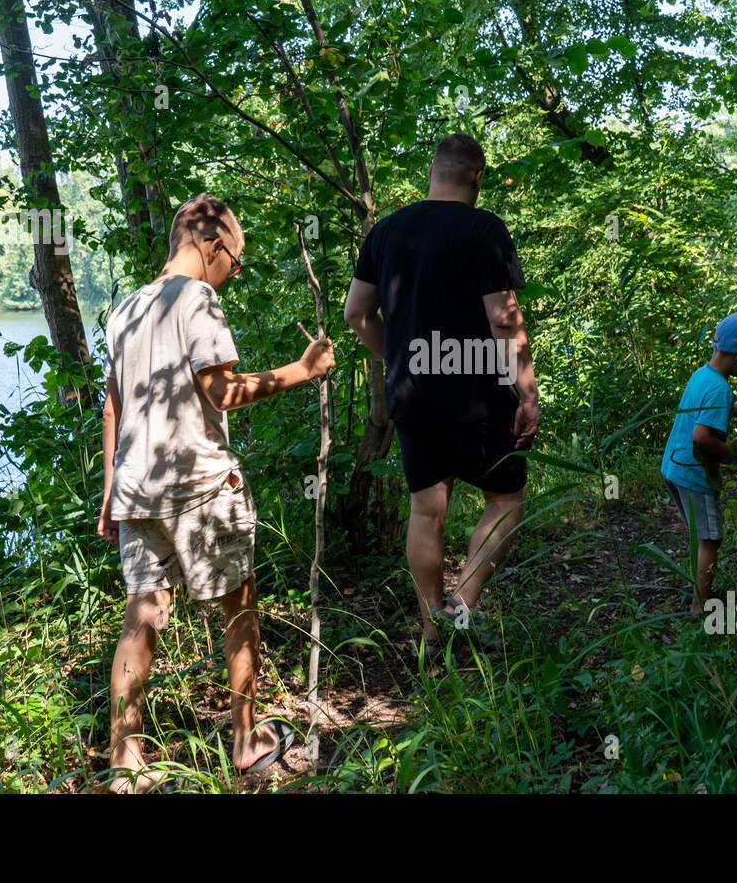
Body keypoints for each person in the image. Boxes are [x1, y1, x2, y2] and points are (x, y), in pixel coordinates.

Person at [96, 193, 335, 791]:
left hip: (136, 489)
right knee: (240, 606)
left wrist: (109, 490)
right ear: (212, 244)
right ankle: (247, 739)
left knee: (142, 614)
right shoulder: (197, 298)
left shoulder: (125, 308)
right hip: (202, 484)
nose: (233, 272)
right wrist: (303, 370)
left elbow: (114, 405)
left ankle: (124, 761)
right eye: (237, 259)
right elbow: (222, 392)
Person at [343, 133, 539, 660]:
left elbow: (356, 314)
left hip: (412, 389)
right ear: (478, 178)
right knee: (506, 497)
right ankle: (464, 605)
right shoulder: (484, 229)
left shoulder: (385, 232)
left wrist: (398, 357)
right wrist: (527, 392)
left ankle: (433, 631)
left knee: (426, 510)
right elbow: (503, 319)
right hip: (479, 388)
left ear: (432, 172)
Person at [661, 312, 737, 615]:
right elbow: (702, 436)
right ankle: (700, 607)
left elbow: (715, 409)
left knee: (698, 535)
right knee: (711, 539)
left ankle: (695, 584)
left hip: (675, 469)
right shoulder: (719, 387)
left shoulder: (704, 375)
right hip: (695, 475)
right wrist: (727, 451)